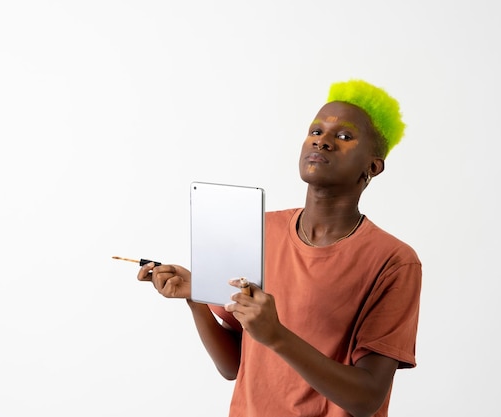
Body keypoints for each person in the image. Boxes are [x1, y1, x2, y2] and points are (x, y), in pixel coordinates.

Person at [136, 79, 421, 417]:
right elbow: (233, 365)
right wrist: (195, 298)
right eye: (315, 131)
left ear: (372, 167)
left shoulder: (394, 261)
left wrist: (276, 336)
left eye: (343, 137)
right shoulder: (257, 229)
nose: (323, 141)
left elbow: (366, 398)